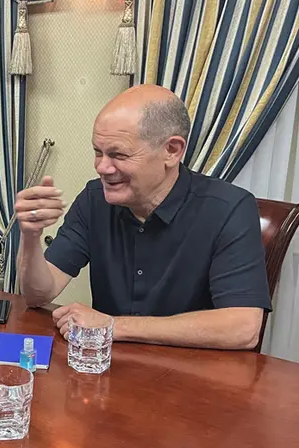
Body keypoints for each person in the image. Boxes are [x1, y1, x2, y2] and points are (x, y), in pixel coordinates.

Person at [15, 84, 270, 350]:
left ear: (171, 150)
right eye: (98, 152)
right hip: (108, 368)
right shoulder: (94, 199)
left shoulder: (229, 208)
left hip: (193, 374)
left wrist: (113, 325)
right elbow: (37, 295)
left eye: (118, 154)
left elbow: (243, 328)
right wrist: (30, 237)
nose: (102, 167)